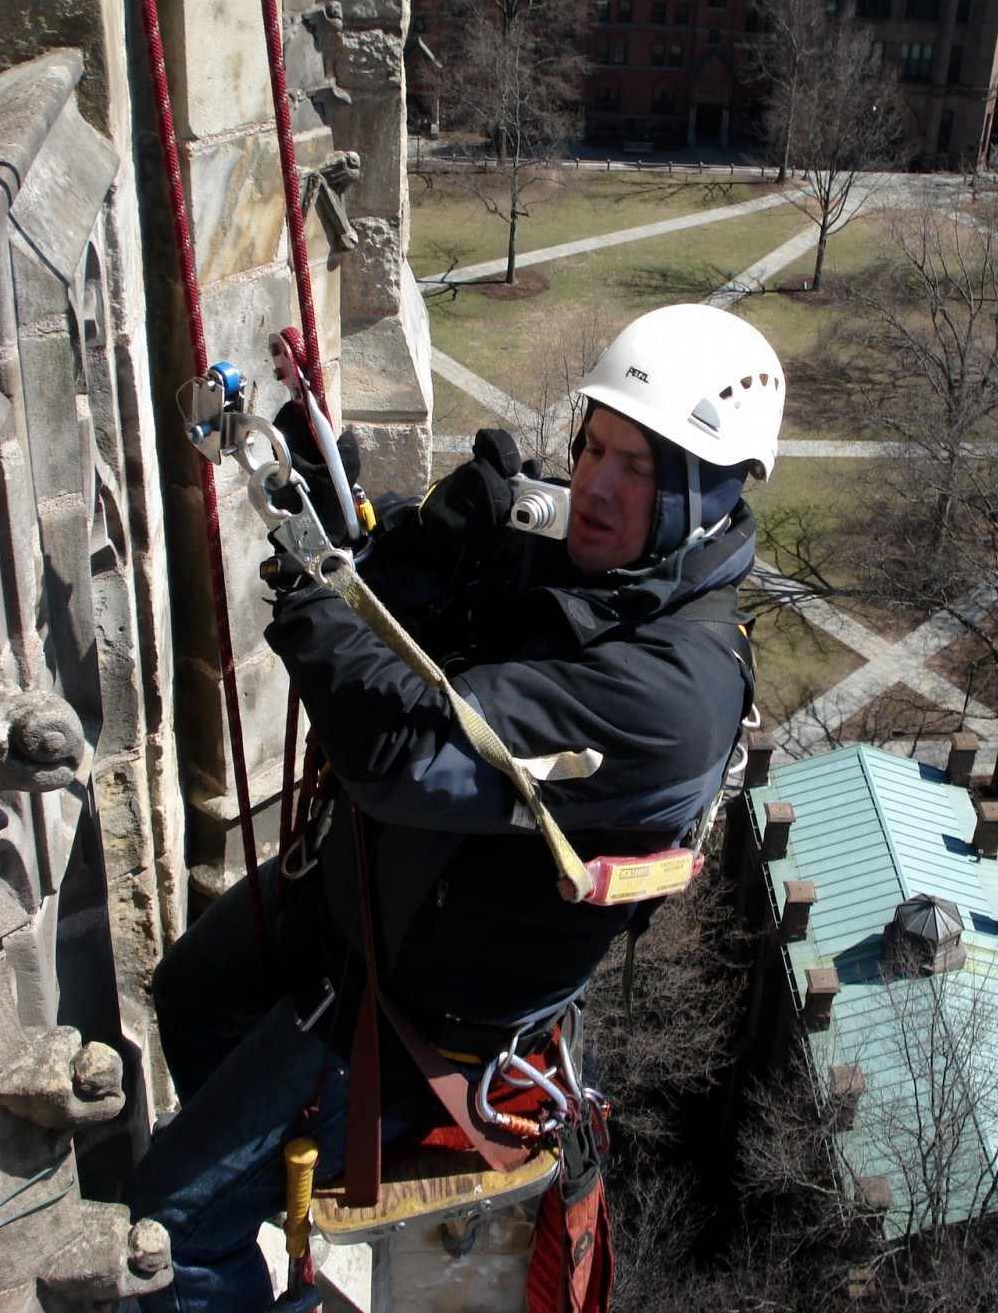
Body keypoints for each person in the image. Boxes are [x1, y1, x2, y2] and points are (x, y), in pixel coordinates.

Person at [124, 304, 785, 1312]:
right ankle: (257, 1195)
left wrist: (313, 599)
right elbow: (411, 602)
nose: (595, 485)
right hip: (348, 900)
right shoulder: (604, 562)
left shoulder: (669, 695)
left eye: (640, 467)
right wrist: (385, 526)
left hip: (411, 1017)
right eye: (594, 446)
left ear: (710, 492)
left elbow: (403, 749)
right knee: (189, 996)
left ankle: (226, 1244)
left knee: (165, 1230)